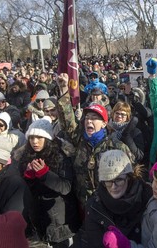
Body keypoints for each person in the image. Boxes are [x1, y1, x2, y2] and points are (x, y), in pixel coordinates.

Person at [56, 73, 132, 210]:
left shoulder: (116, 147)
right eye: (87, 117)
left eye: (94, 118)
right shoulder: (79, 140)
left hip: (107, 207)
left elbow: (132, 178)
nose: (89, 120)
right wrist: (63, 90)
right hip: (82, 205)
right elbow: (67, 122)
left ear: (104, 123)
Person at [13, 119, 80, 247]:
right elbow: (25, 190)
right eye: (31, 138)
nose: (34, 142)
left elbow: (66, 187)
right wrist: (28, 177)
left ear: (47, 138)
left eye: (39, 137)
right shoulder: (25, 156)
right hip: (37, 217)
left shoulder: (60, 156)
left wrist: (45, 174)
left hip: (59, 219)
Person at [82, 150, 152, 248]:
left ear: (129, 177)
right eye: (108, 181)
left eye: (119, 180)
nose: (113, 187)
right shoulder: (94, 206)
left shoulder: (147, 197)